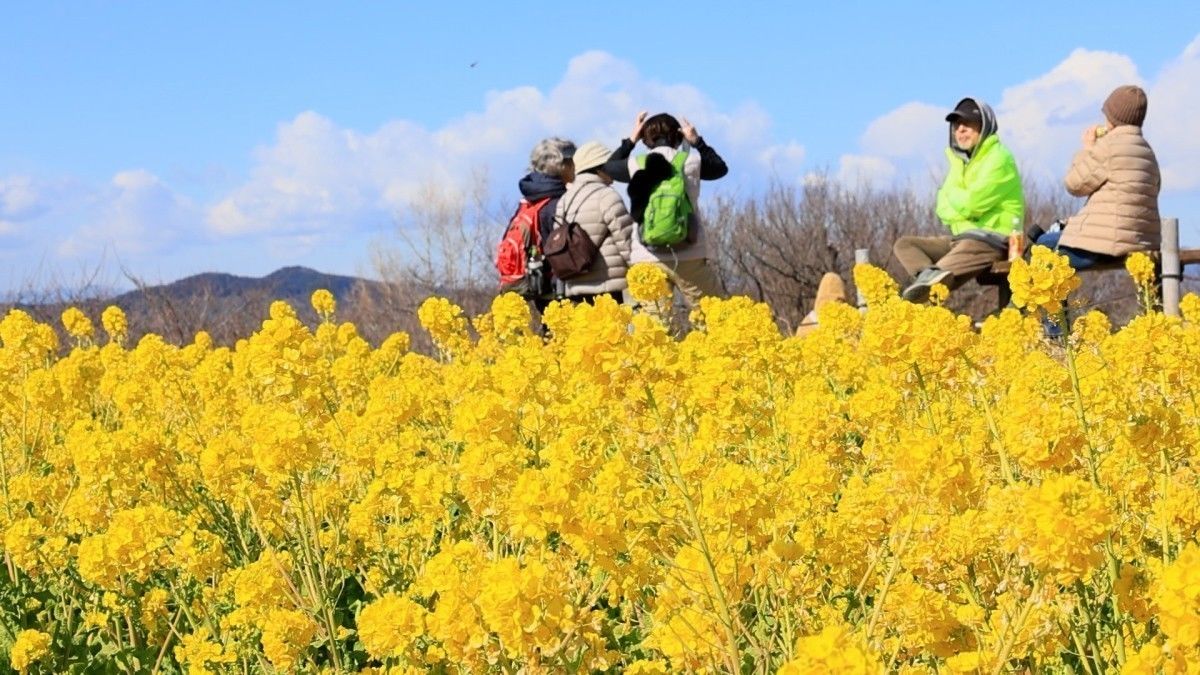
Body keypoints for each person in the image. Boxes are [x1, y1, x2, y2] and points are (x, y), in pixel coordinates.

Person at [893, 98, 1025, 302]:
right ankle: (927, 278)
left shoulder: (999, 158)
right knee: (905, 245)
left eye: (968, 124)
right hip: (961, 239)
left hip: (993, 240)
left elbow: (972, 203)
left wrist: (955, 200)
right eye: (956, 125)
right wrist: (961, 204)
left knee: (935, 284)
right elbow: (941, 209)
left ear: (984, 127)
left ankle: (926, 290)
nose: (961, 130)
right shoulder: (959, 162)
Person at [602, 111, 728, 309]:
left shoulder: (636, 164)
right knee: (713, 318)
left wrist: (631, 139)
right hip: (690, 253)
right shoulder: (691, 161)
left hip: (646, 256)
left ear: (646, 140)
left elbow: (608, 167)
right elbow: (720, 168)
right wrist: (696, 141)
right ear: (678, 137)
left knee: (653, 327)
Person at [1028, 85, 1160, 268]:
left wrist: (1088, 149)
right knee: (1050, 238)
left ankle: (1049, 296)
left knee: (1042, 244)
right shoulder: (1148, 152)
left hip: (1104, 246)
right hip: (1140, 242)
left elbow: (1074, 184)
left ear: (1113, 118)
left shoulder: (1109, 146)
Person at [554, 141, 635, 304]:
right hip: (607, 284)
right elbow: (626, 240)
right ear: (599, 167)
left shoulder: (565, 199)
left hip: (574, 282)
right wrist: (640, 270)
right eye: (610, 166)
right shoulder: (607, 196)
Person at [516, 137, 575, 314]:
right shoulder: (557, 203)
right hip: (558, 291)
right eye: (572, 161)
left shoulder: (530, 200)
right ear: (560, 165)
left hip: (538, 285)